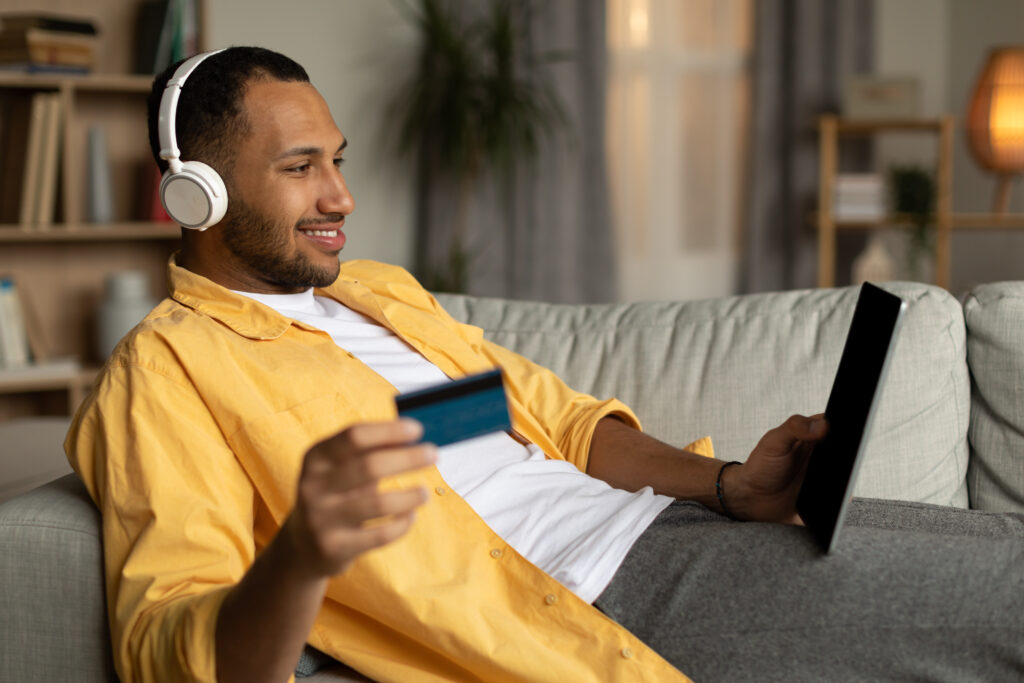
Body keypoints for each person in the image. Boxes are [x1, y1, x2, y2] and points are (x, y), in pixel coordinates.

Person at [65, 46, 1023, 683]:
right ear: (195, 193)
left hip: (673, 526)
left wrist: (730, 485)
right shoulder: (165, 373)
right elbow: (168, 641)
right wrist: (303, 555)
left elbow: (547, 422)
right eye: (301, 165)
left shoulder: (378, 295)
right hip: (597, 597)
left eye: (339, 160)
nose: (341, 195)